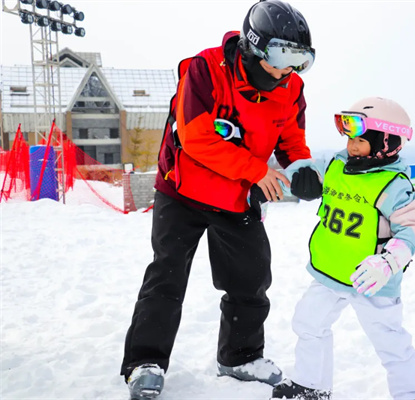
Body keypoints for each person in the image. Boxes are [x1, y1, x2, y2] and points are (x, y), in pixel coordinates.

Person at [120, 1, 316, 399]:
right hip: (183, 191)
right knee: (167, 275)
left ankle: (240, 356)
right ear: (254, 46)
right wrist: (259, 171)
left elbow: (290, 139)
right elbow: (196, 137)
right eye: (281, 57)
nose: (286, 70)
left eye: (299, 60)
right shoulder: (205, 70)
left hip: (238, 195)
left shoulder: (290, 87)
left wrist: (301, 167)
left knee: (251, 278)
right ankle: (145, 361)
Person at [270, 97, 415, 400]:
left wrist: (387, 263)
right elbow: (308, 172)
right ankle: (311, 385)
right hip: (330, 271)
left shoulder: (393, 185)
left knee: (390, 342)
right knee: (308, 323)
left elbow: (411, 230)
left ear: (388, 142)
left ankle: (412, 394)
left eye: (360, 140)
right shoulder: (336, 163)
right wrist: (293, 179)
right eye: (349, 139)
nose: (352, 146)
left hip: (371, 280)